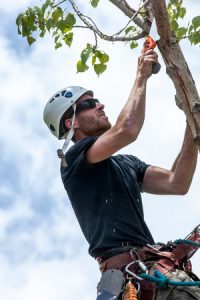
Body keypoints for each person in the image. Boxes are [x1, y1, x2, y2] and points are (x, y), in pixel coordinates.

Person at [43, 46, 200, 299]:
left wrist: (192, 124)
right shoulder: (74, 163)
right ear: (72, 123)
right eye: (90, 104)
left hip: (152, 271)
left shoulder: (126, 164)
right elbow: (127, 129)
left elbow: (177, 182)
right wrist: (141, 75)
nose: (100, 104)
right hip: (133, 276)